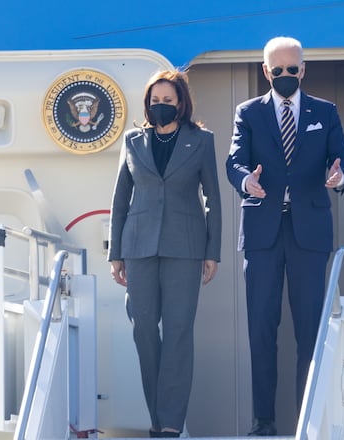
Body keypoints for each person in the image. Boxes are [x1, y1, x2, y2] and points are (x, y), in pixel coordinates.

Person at [225, 36, 344, 436]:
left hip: (309, 234)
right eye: (277, 70)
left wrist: (339, 177)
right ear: (266, 71)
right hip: (264, 233)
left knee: (310, 329)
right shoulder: (248, 112)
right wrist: (247, 181)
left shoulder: (325, 112)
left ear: (304, 69)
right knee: (261, 329)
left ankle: (307, 419)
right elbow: (234, 162)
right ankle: (263, 422)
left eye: (292, 69)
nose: (286, 76)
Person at [109, 69, 222, 438]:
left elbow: (213, 200)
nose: (160, 106)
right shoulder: (132, 141)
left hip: (185, 249)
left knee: (177, 333)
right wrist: (116, 253)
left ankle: (169, 423)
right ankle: (157, 416)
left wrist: (212, 251)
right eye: (155, 101)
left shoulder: (201, 140)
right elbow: (120, 201)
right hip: (138, 248)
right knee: (143, 330)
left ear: (181, 104)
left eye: (167, 101)